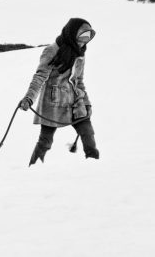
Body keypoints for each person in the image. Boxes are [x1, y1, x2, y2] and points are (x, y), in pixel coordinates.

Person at [20, 18, 100, 166]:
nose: (84, 42)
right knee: (45, 141)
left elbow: (79, 81)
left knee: (88, 134)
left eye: (88, 38)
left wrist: (86, 103)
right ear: (72, 33)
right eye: (82, 37)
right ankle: (33, 169)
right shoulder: (52, 51)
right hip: (53, 102)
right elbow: (39, 77)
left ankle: (94, 166)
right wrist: (29, 98)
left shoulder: (80, 53)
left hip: (75, 102)